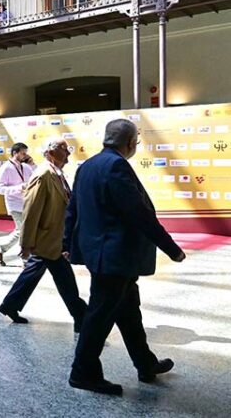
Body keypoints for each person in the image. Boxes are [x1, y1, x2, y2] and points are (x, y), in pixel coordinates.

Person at [66, 119, 186, 396]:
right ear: (131, 143)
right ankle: (82, 373)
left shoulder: (87, 166)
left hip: (102, 255)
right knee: (99, 317)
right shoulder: (117, 166)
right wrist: (171, 248)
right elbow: (138, 213)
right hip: (115, 257)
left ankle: (145, 364)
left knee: (129, 312)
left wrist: (66, 242)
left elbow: (73, 208)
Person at [0, 137, 87, 331]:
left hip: (52, 238)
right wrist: (26, 244)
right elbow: (31, 210)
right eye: (64, 149)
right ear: (51, 152)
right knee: (65, 279)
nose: (68, 153)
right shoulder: (43, 174)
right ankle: (81, 317)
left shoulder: (56, 173)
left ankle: (10, 305)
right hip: (47, 240)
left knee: (33, 272)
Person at [0, 143, 35, 266]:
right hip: (14, 204)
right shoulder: (5, 168)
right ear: (15, 153)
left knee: (21, 231)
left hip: (28, 202)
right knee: (24, 230)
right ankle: (26, 259)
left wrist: (33, 164)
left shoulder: (27, 167)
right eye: (23, 153)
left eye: (26, 153)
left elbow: (36, 178)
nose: (25, 155)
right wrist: (18, 188)